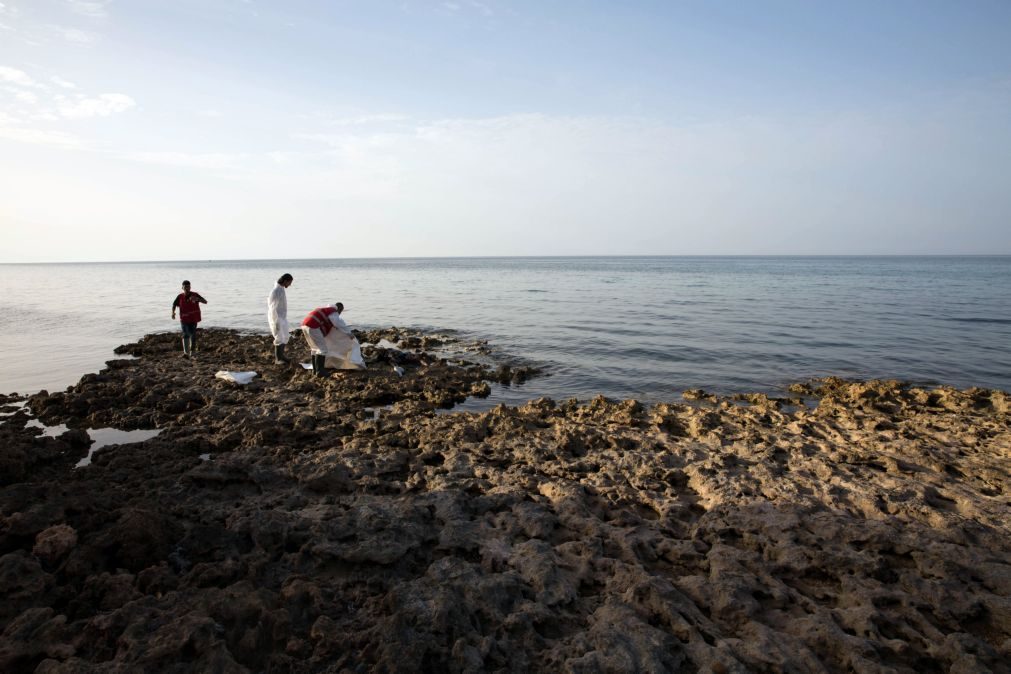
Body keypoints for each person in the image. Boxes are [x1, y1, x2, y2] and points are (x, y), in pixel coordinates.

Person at [301, 302, 350, 377]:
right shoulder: (333, 311)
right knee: (322, 349)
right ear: (339, 309)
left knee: (314, 348)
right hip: (312, 326)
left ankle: (315, 370)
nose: (340, 313)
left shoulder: (326, 309)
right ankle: (320, 371)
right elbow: (338, 323)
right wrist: (349, 333)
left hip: (304, 325)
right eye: (340, 311)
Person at [171, 280, 207, 358]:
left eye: (188, 286)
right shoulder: (180, 296)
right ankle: (186, 353)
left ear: (190, 287)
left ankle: (192, 353)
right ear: (182, 287)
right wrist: (173, 313)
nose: (187, 288)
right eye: (185, 287)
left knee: (193, 335)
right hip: (184, 319)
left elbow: (205, 301)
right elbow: (174, 304)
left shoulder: (195, 295)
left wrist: (197, 299)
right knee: (185, 334)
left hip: (193, 319)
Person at [267, 273, 294, 364]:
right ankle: (278, 358)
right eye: (289, 282)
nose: (290, 285)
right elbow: (272, 308)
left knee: (285, 336)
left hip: (282, 317)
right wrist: (276, 321)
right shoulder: (276, 291)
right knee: (279, 337)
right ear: (285, 281)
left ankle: (282, 356)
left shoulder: (281, 289)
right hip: (276, 317)